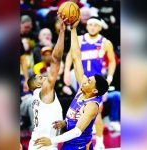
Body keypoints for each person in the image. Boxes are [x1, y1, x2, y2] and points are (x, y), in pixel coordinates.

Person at [35, 18, 109, 150]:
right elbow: (76, 58)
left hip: (79, 147)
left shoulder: (92, 105)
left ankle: (100, 140)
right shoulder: (83, 89)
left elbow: (77, 131)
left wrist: (51, 141)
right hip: (69, 143)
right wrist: (73, 29)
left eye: (89, 81)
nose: (84, 80)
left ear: (95, 91)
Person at [64, 16, 116, 149]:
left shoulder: (105, 42)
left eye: (95, 25)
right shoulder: (80, 40)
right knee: (77, 112)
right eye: (90, 24)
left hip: (96, 85)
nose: (92, 27)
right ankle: (84, 136)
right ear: (87, 26)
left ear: (100, 27)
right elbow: (72, 56)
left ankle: (99, 141)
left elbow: (112, 61)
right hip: (82, 81)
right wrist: (65, 72)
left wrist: (109, 77)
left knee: (96, 112)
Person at [27, 14, 68, 150]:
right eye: (40, 78)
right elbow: (56, 60)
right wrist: (61, 32)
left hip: (36, 141)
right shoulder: (45, 90)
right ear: (38, 85)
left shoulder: (35, 97)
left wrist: (64, 122)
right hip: (45, 145)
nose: (44, 77)